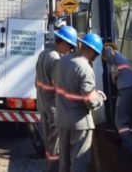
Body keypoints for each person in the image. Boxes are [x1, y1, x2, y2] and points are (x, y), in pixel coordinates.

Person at [54, 31, 105, 172]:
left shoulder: (62, 61)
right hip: (79, 124)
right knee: (79, 163)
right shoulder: (85, 68)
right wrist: (100, 97)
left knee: (64, 163)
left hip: (62, 120)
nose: (95, 57)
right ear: (91, 50)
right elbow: (90, 101)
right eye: (96, 54)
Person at [35, 25, 77, 171]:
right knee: (56, 146)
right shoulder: (55, 59)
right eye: (70, 46)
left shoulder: (43, 53)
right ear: (63, 43)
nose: (71, 50)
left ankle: (50, 168)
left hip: (43, 105)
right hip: (53, 108)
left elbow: (37, 82)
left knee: (49, 143)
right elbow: (59, 86)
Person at [102, 43, 132, 160]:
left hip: (126, 90)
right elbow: (115, 79)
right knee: (128, 120)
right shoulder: (122, 61)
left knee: (120, 122)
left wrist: (105, 49)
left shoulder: (114, 54)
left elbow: (109, 51)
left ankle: (130, 150)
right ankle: (127, 138)